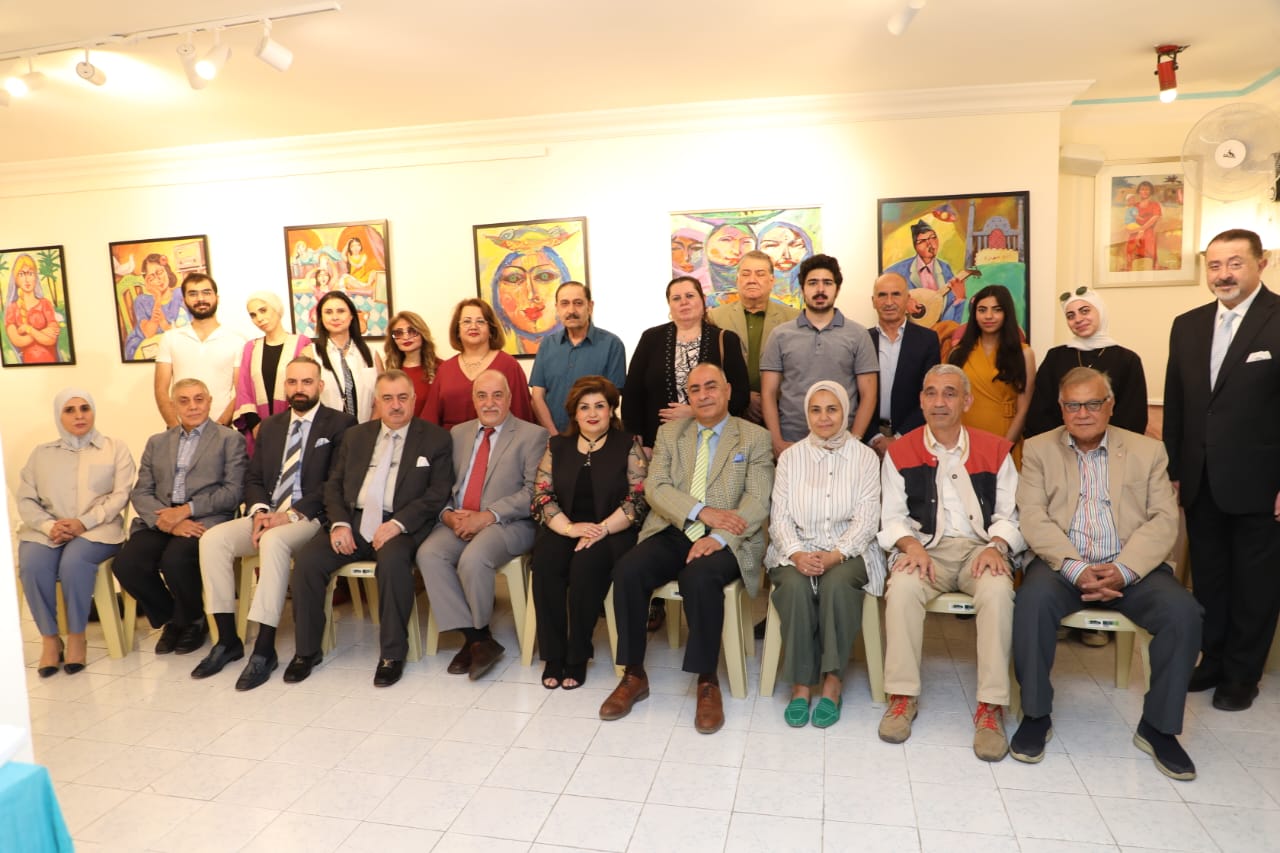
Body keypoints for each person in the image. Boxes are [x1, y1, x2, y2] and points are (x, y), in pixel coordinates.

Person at [1013, 367, 1201, 779]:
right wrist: (1077, 569)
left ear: (1110, 406)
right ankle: (1035, 715)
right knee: (1030, 603)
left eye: (1093, 403)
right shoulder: (1039, 449)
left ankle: (1159, 727)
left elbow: (1163, 520)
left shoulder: (1147, 451)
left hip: (1132, 567)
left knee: (1183, 613)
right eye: (1073, 405)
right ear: (1061, 408)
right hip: (1063, 564)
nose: (1083, 413)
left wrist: (1123, 570)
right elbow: (1033, 517)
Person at [600, 363, 774, 734]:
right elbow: (656, 488)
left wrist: (719, 536)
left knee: (700, 577)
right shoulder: (670, 433)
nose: (704, 395)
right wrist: (700, 512)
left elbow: (759, 499)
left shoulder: (755, 437)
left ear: (727, 390)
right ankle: (633, 674)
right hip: (676, 527)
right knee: (627, 570)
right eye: (695, 389)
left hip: (730, 537)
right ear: (688, 396)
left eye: (711, 386)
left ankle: (707, 680)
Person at [877, 364, 1023, 762]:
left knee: (998, 592)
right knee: (902, 588)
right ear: (921, 400)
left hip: (981, 549)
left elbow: (1011, 514)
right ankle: (902, 696)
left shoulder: (995, 449)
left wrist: (996, 545)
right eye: (931, 393)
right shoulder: (901, 451)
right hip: (926, 550)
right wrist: (911, 546)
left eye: (949, 393)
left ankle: (991, 707)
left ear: (967, 401)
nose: (939, 402)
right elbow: (891, 516)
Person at [1164, 227, 1280, 712]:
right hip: (1200, 479)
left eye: (1235, 263)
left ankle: (1241, 675)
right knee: (1209, 579)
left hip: (1262, 483)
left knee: (1256, 585)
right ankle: (1212, 660)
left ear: (1261, 263)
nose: (1223, 274)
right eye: (1214, 265)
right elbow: (1176, 403)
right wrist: (1174, 470)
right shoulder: (1187, 325)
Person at [193, 357, 356, 690]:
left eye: (307, 382)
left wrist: (289, 515)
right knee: (213, 540)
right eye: (292, 382)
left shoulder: (341, 424)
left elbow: (335, 483)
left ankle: (265, 648)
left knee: (274, 540)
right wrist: (259, 511)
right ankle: (227, 639)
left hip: (310, 517)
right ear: (285, 387)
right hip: (267, 513)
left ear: (320, 385)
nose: (299, 389)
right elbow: (254, 477)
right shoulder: (270, 426)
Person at [286, 370, 454, 688]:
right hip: (352, 521)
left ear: (414, 399)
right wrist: (338, 524)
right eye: (387, 398)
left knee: (393, 563)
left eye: (402, 398)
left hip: (400, 524)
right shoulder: (356, 436)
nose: (395, 405)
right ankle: (306, 652)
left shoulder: (436, 438)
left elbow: (437, 493)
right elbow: (333, 485)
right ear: (377, 401)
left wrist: (398, 524)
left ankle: (392, 655)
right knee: (308, 561)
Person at [418, 370, 548, 681]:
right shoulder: (458, 433)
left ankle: (475, 639)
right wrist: (447, 515)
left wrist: (487, 516)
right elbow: (443, 484)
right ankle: (477, 638)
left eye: (497, 395)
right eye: (482, 396)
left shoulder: (533, 435)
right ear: (473, 400)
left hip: (508, 522)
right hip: (460, 518)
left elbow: (533, 493)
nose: (489, 403)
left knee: (474, 558)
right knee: (428, 554)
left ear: (510, 398)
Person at [767, 380, 883, 728]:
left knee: (836, 584)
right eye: (815, 410)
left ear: (845, 412)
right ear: (807, 415)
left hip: (850, 550)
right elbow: (779, 518)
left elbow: (867, 519)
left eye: (832, 409)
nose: (824, 417)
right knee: (794, 586)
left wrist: (835, 554)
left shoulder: (864, 457)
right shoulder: (791, 458)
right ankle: (801, 686)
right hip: (796, 549)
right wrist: (797, 554)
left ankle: (833, 683)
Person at [113, 379, 246, 655]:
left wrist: (186, 511)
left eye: (199, 399)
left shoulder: (229, 440)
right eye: (184, 401)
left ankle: (192, 621)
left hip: (204, 519)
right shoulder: (157, 442)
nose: (192, 406)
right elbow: (141, 491)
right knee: (127, 564)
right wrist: (168, 522)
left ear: (209, 402)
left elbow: (232, 492)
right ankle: (177, 618)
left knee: (175, 559)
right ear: (174, 406)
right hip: (161, 519)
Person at [531, 376, 648, 689]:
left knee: (585, 566)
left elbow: (638, 499)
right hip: (565, 526)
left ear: (611, 410)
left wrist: (601, 529)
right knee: (545, 563)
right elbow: (542, 495)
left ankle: (578, 654)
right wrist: (570, 528)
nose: (592, 413)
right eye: (584, 407)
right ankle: (553, 654)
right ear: (574, 413)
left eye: (600, 406)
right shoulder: (557, 446)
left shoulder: (628, 445)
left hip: (612, 530)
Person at [17, 389, 135, 676]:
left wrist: (84, 522)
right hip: (49, 530)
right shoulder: (41, 454)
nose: (79, 415)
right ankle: (49, 639)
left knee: (74, 562)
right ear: (58, 416)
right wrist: (49, 526)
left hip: (99, 529)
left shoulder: (114, 448)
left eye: (85, 408)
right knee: (32, 564)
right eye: (69, 410)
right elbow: (26, 499)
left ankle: (76, 637)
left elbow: (120, 495)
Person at [761, 254, 878, 459]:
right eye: (813, 283)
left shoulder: (858, 334)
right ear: (802, 289)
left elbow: (869, 394)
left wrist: (854, 441)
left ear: (837, 289)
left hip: (843, 445)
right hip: (791, 443)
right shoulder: (780, 335)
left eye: (827, 283)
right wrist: (776, 441)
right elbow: (768, 393)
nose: (820, 289)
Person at [623, 275, 750, 453]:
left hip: (714, 441)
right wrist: (638, 440)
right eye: (676, 298)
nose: (684, 302)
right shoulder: (651, 339)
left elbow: (740, 396)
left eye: (690, 296)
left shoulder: (726, 340)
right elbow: (632, 393)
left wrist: (695, 411)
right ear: (669, 305)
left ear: (703, 300)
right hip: (658, 444)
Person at [1026, 287, 1147, 438]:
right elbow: (1039, 411)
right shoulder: (1055, 357)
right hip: (1059, 445)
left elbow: (1133, 416)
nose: (1078, 319)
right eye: (1070, 316)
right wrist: (1062, 443)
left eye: (1085, 311)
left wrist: (1101, 444)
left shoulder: (1127, 360)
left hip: (1113, 447)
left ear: (1100, 311)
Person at [947, 284, 1035, 468]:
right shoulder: (958, 354)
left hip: (1005, 437)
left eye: (996, 310)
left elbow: (1024, 409)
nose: (988, 316)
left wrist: (1003, 449)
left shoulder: (1023, 353)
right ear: (974, 314)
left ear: (1007, 313)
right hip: (964, 438)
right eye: (982, 310)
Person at [708, 251, 799, 425]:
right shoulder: (715, 318)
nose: (752, 279)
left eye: (760, 274)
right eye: (745, 274)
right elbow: (712, 367)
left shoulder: (793, 319)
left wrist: (768, 397)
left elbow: (797, 369)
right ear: (737, 279)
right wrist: (743, 396)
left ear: (771, 280)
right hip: (730, 414)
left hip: (782, 414)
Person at [422, 298, 535, 431]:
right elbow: (430, 420)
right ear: (457, 330)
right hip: (451, 441)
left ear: (491, 329)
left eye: (480, 321)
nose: (473, 326)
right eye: (467, 321)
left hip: (497, 441)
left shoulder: (509, 365)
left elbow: (522, 415)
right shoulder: (445, 370)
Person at [529, 281, 627, 434]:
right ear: (557, 308)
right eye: (564, 304)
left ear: (590, 306)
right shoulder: (547, 345)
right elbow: (537, 397)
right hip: (552, 436)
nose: (571, 310)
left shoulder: (612, 345)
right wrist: (553, 435)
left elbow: (612, 398)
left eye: (578, 303)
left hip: (595, 438)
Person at [153, 273, 245, 428]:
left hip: (222, 429)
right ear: (184, 301)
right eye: (193, 294)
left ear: (217, 298)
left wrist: (220, 426)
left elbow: (241, 391)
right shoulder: (170, 338)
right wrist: (175, 427)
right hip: (180, 429)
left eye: (206, 292)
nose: (200, 299)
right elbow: (161, 389)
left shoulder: (237, 341)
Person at [865, 272, 941, 457]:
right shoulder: (861, 340)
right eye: (882, 295)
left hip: (912, 438)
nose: (889, 302)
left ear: (908, 299)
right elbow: (854, 395)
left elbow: (930, 394)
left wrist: (899, 438)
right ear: (873, 301)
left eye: (896, 294)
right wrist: (874, 438)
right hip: (868, 441)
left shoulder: (927, 340)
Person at [232, 291, 313, 455]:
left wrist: (283, 424)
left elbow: (304, 386)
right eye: (253, 315)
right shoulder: (251, 347)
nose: (259, 318)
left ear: (276, 308)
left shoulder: (301, 343)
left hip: (294, 424)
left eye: (263, 310)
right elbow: (244, 389)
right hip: (258, 430)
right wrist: (255, 424)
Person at [314, 290, 383, 422]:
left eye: (341, 311)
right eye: (328, 312)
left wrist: (368, 430)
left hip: (366, 429)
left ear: (351, 315)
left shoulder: (371, 354)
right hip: (326, 432)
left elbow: (382, 398)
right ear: (321, 318)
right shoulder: (311, 354)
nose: (335, 317)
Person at [884, 220, 967, 324]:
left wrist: (960, 299)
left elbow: (951, 308)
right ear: (915, 246)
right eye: (922, 241)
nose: (930, 244)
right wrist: (902, 304)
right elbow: (883, 297)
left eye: (933, 238)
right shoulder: (897, 270)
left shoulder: (945, 268)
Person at [124, 253, 187, 361]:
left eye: (160, 272)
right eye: (151, 277)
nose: (158, 279)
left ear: (167, 271)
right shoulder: (141, 300)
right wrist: (157, 298)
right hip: (143, 345)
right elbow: (149, 333)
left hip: (172, 345)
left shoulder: (180, 294)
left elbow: (186, 331)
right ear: (147, 282)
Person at [383, 310, 440, 419]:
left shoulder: (441, 368)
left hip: (433, 428)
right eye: (399, 333)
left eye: (412, 331)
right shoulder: (390, 371)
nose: (406, 337)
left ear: (422, 334)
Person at [5, 253, 60, 364]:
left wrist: (28, 329)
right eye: (21, 274)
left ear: (35, 277)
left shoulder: (45, 304)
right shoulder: (12, 309)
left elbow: (51, 339)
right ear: (16, 279)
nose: (26, 279)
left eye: (30, 273)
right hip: (27, 366)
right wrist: (42, 332)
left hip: (52, 363)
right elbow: (17, 341)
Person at [1125, 181, 1162, 270]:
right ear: (1139, 191)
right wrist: (1131, 229)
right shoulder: (1134, 206)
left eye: (1147, 189)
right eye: (1142, 189)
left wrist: (1141, 229)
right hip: (1134, 233)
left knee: (1149, 257)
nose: (1144, 192)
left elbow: (1154, 219)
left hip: (1147, 234)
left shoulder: (1155, 205)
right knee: (1131, 257)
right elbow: (1128, 219)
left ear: (1151, 191)